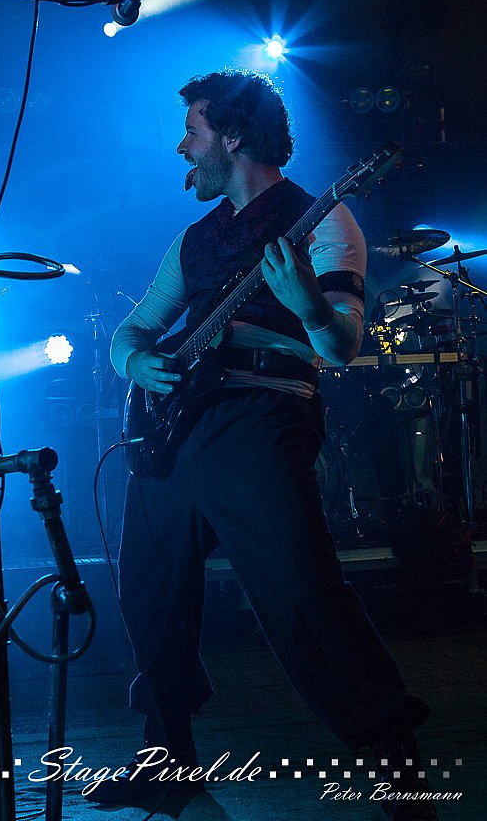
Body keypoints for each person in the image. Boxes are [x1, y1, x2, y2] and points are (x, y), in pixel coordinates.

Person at [88, 71, 437, 820]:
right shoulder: (195, 239)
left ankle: (400, 777)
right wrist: (136, 363)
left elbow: (339, 346)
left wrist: (307, 304)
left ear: (234, 136)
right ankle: (165, 764)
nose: (182, 147)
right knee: (150, 592)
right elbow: (134, 328)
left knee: (302, 598)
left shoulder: (324, 221)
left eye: (192, 130)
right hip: (178, 431)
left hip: (260, 421)